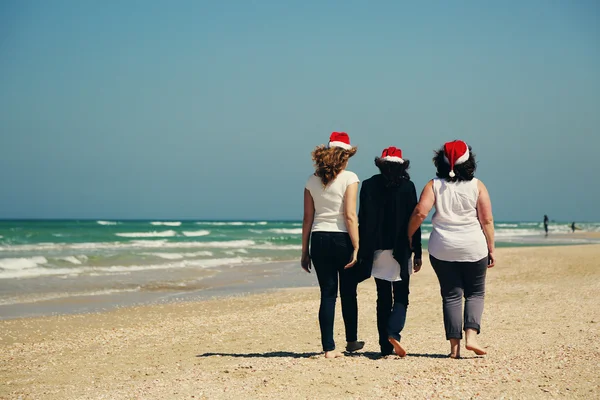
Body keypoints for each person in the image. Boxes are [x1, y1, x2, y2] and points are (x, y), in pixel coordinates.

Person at [408, 140, 495, 359]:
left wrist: (407, 235)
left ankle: (454, 348)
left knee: (451, 295)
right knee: (475, 292)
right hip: (473, 247)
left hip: (442, 248)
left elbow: (420, 212)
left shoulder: (434, 185)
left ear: (441, 161)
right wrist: (491, 248)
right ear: (470, 162)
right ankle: (471, 336)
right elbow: (487, 220)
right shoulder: (477, 185)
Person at [301, 132, 364, 358]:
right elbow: (350, 216)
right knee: (348, 293)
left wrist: (304, 252)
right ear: (344, 156)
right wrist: (356, 246)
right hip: (341, 239)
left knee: (327, 294)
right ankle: (351, 342)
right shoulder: (350, 178)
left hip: (318, 239)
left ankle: (329, 348)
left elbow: (308, 218)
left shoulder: (311, 180)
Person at [357, 147, 422, 357]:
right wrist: (418, 252)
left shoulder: (368, 185)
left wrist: (360, 249)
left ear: (381, 164)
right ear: (401, 165)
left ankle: (385, 347)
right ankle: (393, 332)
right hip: (401, 247)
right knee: (402, 295)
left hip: (376, 248)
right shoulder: (408, 186)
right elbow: (415, 221)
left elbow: (362, 219)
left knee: (382, 297)